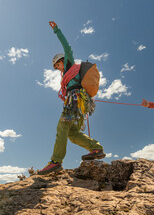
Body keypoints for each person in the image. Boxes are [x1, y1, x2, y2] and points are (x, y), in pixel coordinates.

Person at [38, 21, 106, 175]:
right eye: (56, 67)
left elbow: (67, 47)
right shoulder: (66, 76)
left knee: (62, 127)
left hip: (75, 101)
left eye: (58, 64)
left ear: (63, 60)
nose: (57, 68)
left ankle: (56, 161)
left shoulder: (70, 64)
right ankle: (96, 148)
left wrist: (57, 30)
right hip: (79, 104)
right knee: (73, 134)